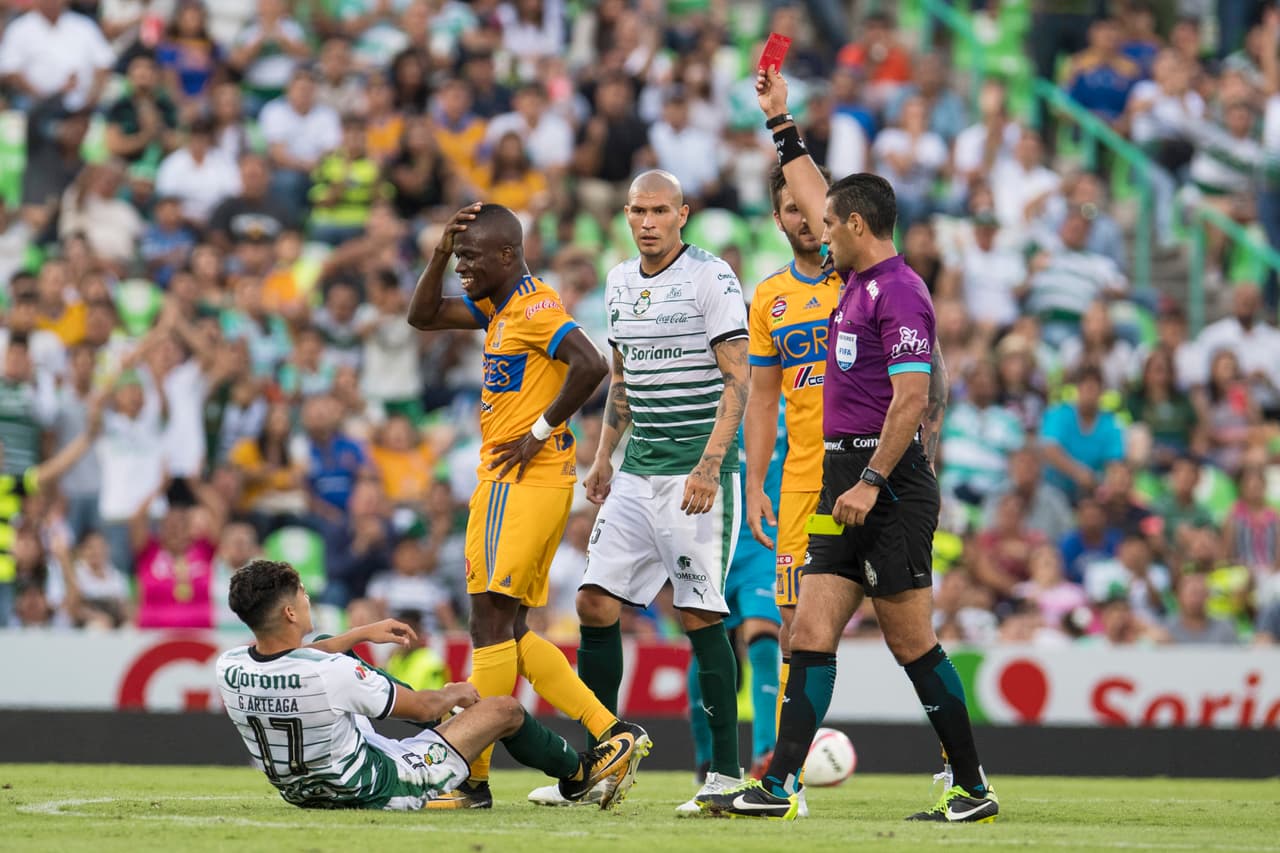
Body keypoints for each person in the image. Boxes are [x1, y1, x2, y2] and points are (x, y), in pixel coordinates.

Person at [697, 67, 996, 823]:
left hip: (884, 484)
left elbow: (914, 397)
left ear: (855, 226)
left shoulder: (898, 292)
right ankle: (777, 783)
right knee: (810, 630)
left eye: (829, 221)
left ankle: (970, 783)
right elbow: (806, 189)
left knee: (911, 642)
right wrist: (781, 124)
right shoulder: (850, 277)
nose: (816, 226)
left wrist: (868, 479)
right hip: (838, 478)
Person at [407, 202, 648, 808]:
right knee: (509, 629)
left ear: (508, 256)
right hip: (531, 485)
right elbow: (423, 315)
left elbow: (590, 364)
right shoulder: (502, 304)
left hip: (520, 480)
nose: (462, 267)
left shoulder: (536, 308)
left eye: (470, 257)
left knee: (487, 620)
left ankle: (471, 778)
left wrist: (537, 431)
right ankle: (611, 735)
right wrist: (438, 252)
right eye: (457, 257)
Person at [547, 170, 749, 814]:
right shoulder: (618, 281)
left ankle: (724, 775)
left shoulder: (710, 278)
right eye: (637, 210)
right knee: (594, 603)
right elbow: (623, 377)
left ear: (682, 214)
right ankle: (600, 762)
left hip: (697, 470)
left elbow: (737, 380)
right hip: (636, 469)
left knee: (697, 614)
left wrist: (711, 465)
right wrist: (603, 458)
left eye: (659, 210)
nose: (647, 221)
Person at [217, 559, 644, 811]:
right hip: (377, 786)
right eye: (303, 595)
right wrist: (455, 695)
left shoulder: (230, 665)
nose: (308, 600)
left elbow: (311, 655)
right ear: (291, 613)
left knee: (347, 667)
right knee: (503, 710)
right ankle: (579, 773)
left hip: (302, 792)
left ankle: (458, 735)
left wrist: (361, 633)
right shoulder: (329, 673)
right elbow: (419, 709)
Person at [741, 162, 843, 813]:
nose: (801, 218)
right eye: (789, 210)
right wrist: (756, 481)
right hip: (801, 479)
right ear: (777, 219)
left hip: (864, 470)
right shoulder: (769, 297)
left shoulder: (855, 278)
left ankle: (958, 766)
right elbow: (761, 397)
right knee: (793, 624)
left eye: (808, 207)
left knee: (905, 625)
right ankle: (787, 777)